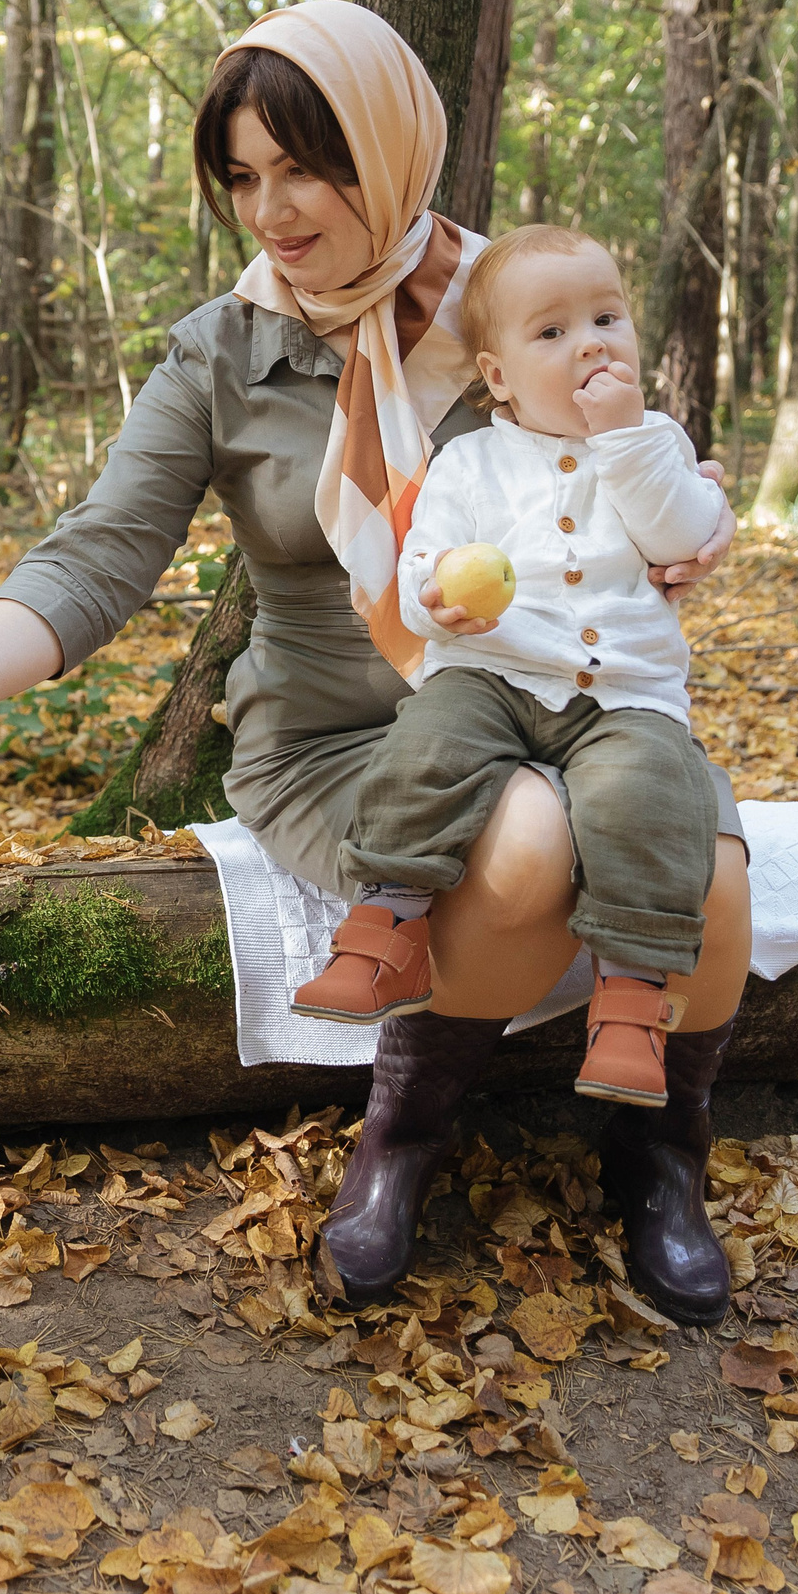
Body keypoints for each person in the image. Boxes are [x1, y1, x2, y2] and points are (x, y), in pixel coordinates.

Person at [0, 1, 748, 1327]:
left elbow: (639, 449)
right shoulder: (224, 351)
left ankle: (660, 1164)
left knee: (720, 886)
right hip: (347, 734)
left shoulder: (515, 303)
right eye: (242, 176)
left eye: (305, 167)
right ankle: (403, 1132)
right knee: (522, 845)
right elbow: (97, 556)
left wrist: (688, 500)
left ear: (390, 148)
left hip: (581, 695)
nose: (271, 211)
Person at [288, 224, 727, 1118]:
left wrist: (626, 437)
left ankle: (634, 1000)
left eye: (607, 318)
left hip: (621, 693)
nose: (591, 344)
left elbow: (684, 536)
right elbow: (422, 568)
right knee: (425, 746)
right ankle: (388, 924)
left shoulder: (655, 444)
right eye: (553, 332)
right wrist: (437, 603)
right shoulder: (470, 460)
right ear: (498, 377)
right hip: (489, 672)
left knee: (648, 795)